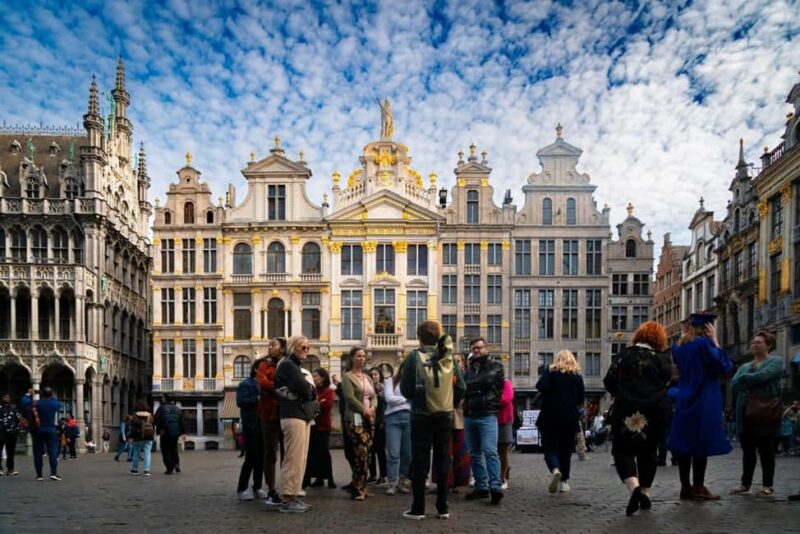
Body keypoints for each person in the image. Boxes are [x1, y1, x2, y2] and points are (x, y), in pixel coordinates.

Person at [604, 321, 673, 515]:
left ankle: (634, 488)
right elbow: (668, 379)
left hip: (627, 409)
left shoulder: (623, 355)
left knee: (622, 450)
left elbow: (609, 381)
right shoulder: (662, 359)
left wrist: (623, 391)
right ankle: (646, 493)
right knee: (649, 451)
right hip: (654, 410)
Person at [399, 320, 466, 520]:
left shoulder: (413, 357)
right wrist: (448, 402)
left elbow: (405, 389)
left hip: (421, 415)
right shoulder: (449, 358)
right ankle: (442, 507)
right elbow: (462, 386)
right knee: (443, 459)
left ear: (418, 336)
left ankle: (418, 508)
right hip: (444, 416)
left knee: (420, 461)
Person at [667, 313, 732, 501]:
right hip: (704, 396)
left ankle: (685, 487)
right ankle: (698, 486)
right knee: (701, 443)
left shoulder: (678, 348)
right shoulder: (705, 345)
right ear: (707, 329)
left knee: (685, 443)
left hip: (684, 396)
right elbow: (723, 366)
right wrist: (716, 341)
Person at [730, 330, 784, 497]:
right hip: (746, 413)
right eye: (753, 342)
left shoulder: (775, 361)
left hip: (767, 413)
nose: (754, 344)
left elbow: (765, 376)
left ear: (768, 345)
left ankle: (768, 485)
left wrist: (745, 378)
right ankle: (745, 484)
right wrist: (747, 379)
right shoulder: (745, 366)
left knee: (767, 452)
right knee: (748, 452)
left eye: (759, 342)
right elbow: (734, 385)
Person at [275, 335, 317, 513]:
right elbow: (305, 388)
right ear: (293, 347)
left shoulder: (295, 366)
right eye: (303, 347)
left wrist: (309, 390)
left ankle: (294, 494)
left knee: (301, 458)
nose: (306, 350)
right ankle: (288, 498)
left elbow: (309, 390)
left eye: (308, 348)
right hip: (293, 415)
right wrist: (309, 390)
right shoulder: (287, 365)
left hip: (301, 415)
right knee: (293, 457)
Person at [463, 337, 505, 504]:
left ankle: (495, 487)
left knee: (489, 451)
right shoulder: (469, 370)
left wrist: (471, 387)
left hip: (487, 414)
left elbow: (486, 381)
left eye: (479, 348)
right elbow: (463, 387)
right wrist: (474, 387)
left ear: (487, 348)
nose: (477, 351)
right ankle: (481, 487)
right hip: (470, 414)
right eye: (474, 348)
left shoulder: (496, 366)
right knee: (474, 453)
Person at [536, 350, 585, 494]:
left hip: (550, 415)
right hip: (569, 417)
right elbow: (580, 399)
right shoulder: (577, 376)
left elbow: (540, 386)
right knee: (566, 450)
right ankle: (564, 482)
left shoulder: (551, 371)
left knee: (549, 447)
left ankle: (555, 469)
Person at [255, 336, 286, 507]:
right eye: (269, 345)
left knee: (287, 453)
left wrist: (273, 387)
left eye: (273, 345)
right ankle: (272, 489)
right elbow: (262, 383)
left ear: (282, 348)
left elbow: (291, 383)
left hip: (286, 412)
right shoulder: (263, 365)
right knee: (270, 452)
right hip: (268, 414)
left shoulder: (286, 364)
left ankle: (289, 486)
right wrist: (278, 388)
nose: (269, 347)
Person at [342, 347, 377, 501]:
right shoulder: (347, 377)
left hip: (369, 419)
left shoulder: (367, 378)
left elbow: (374, 396)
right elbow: (350, 399)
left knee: (367, 454)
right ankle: (358, 488)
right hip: (355, 418)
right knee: (360, 452)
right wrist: (365, 410)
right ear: (352, 358)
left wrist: (373, 408)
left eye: (364, 356)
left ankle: (360, 485)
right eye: (358, 356)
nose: (361, 359)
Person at [237, 360, 266, 500]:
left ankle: (258, 487)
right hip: (251, 425)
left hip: (263, 425)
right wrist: (257, 398)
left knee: (261, 458)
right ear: (256, 369)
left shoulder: (264, 384)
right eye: (264, 368)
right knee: (251, 458)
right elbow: (240, 402)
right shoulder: (245, 384)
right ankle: (242, 489)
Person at [20, 387, 63, 481]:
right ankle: (53, 473)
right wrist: (50, 395)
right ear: (51, 394)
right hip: (51, 429)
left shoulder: (37, 403)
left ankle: (39, 475)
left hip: (38, 430)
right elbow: (59, 404)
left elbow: (24, 402)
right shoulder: (55, 403)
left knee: (38, 453)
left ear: (42, 394)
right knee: (52, 452)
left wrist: (28, 394)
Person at [303, 367, 336, 489]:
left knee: (324, 453)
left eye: (316, 376)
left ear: (323, 377)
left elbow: (325, 404)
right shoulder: (312, 390)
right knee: (312, 453)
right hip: (312, 426)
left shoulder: (328, 391)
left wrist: (316, 404)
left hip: (323, 426)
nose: (314, 378)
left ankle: (330, 478)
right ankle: (318, 478)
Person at [384, 366, 412, 496]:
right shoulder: (390, 381)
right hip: (392, 418)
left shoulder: (412, 381)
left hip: (410, 418)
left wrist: (400, 401)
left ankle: (402, 481)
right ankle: (392, 483)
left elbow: (416, 399)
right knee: (393, 453)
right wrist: (406, 400)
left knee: (407, 454)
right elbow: (389, 398)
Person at [154, 393, 185, 475]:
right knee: (174, 449)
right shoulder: (177, 408)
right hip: (176, 432)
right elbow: (181, 421)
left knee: (166, 450)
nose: (162, 399)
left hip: (165, 431)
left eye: (162, 397)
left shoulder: (161, 408)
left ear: (165, 399)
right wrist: (183, 432)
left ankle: (169, 468)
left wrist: (160, 429)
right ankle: (176, 464)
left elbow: (156, 419)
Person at [367, 367, 387, 486]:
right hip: (369, 422)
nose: (374, 376)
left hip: (380, 423)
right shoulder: (367, 389)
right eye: (372, 374)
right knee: (370, 450)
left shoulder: (383, 389)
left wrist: (382, 421)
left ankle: (383, 475)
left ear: (380, 376)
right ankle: (372, 474)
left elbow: (385, 407)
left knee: (380, 450)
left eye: (376, 374)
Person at [128, 400, 155, 476]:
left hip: (138, 436)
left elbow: (132, 428)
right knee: (147, 453)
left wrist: (130, 437)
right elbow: (153, 426)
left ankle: (134, 470)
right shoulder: (150, 415)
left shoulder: (135, 415)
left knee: (136, 453)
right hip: (149, 436)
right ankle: (146, 470)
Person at [497, 378, 515, 489]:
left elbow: (506, 399)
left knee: (503, 449)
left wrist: (489, 401)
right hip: (491, 419)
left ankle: (502, 477)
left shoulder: (506, 383)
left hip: (504, 420)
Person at [0, 393, 20, 476]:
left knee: (11, 451)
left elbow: (17, 420)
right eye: (5, 397)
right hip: (1, 432)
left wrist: (16, 430)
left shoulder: (13, 409)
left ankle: (10, 469)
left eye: (8, 397)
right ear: (1, 398)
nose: (7, 398)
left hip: (12, 433)